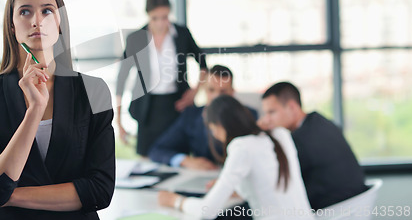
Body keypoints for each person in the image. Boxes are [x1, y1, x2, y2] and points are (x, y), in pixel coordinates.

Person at [0, 0, 115, 219]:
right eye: (25, 12)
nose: (36, 21)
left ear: (59, 22)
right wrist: (35, 110)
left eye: (47, 11)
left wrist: (7, 196)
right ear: (12, 26)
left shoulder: (93, 91)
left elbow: (100, 191)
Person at [158, 95, 314, 220]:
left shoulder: (242, 147)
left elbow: (207, 211)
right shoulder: (281, 134)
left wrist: (176, 201)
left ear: (218, 126)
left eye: (212, 129)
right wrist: (231, 189)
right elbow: (268, 184)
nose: (214, 135)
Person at [115, 0, 207, 156]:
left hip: (177, 106)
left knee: (178, 156)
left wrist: (195, 92)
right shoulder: (135, 39)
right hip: (147, 109)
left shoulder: (182, 34)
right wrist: (119, 121)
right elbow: (121, 79)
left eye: (164, 17)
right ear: (147, 15)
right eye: (154, 18)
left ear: (170, 13)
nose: (160, 23)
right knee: (147, 157)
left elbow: (203, 65)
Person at [259, 81, 367, 210]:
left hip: (330, 209)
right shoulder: (322, 123)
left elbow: (275, 179)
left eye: (271, 112)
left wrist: (261, 135)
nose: (267, 120)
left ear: (292, 107)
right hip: (355, 205)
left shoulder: (299, 140)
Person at [149, 65, 258, 170]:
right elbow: (157, 150)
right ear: (204, 90)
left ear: (232, 92)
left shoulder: (249, 115)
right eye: (211, 90)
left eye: (223, 91)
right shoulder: (191, 116)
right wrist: (186, 161)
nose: (216, 97)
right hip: (203, 175)